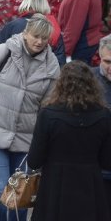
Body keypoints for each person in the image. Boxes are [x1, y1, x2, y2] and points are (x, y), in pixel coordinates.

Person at [0, 14, 61, 221]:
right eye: (36, 36)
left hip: (26, 139)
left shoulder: (52, 65)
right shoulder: (6, 51)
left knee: (21, 194)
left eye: (44, 39)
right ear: (25, 34)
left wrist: (44, 140)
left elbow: (50, 106)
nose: (39, 42)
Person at [28, 61, 111, 221]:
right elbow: (107, 162)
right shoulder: (104, 116)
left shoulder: (48, 115)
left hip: (54, 188)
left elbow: (34, 160)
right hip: (90, 189)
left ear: (61, 84)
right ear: (92, 85)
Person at [0, 0, 66, 66]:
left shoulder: (13, 25)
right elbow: (60, 61)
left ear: (25, 4)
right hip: (42, 74)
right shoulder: (53, 28)